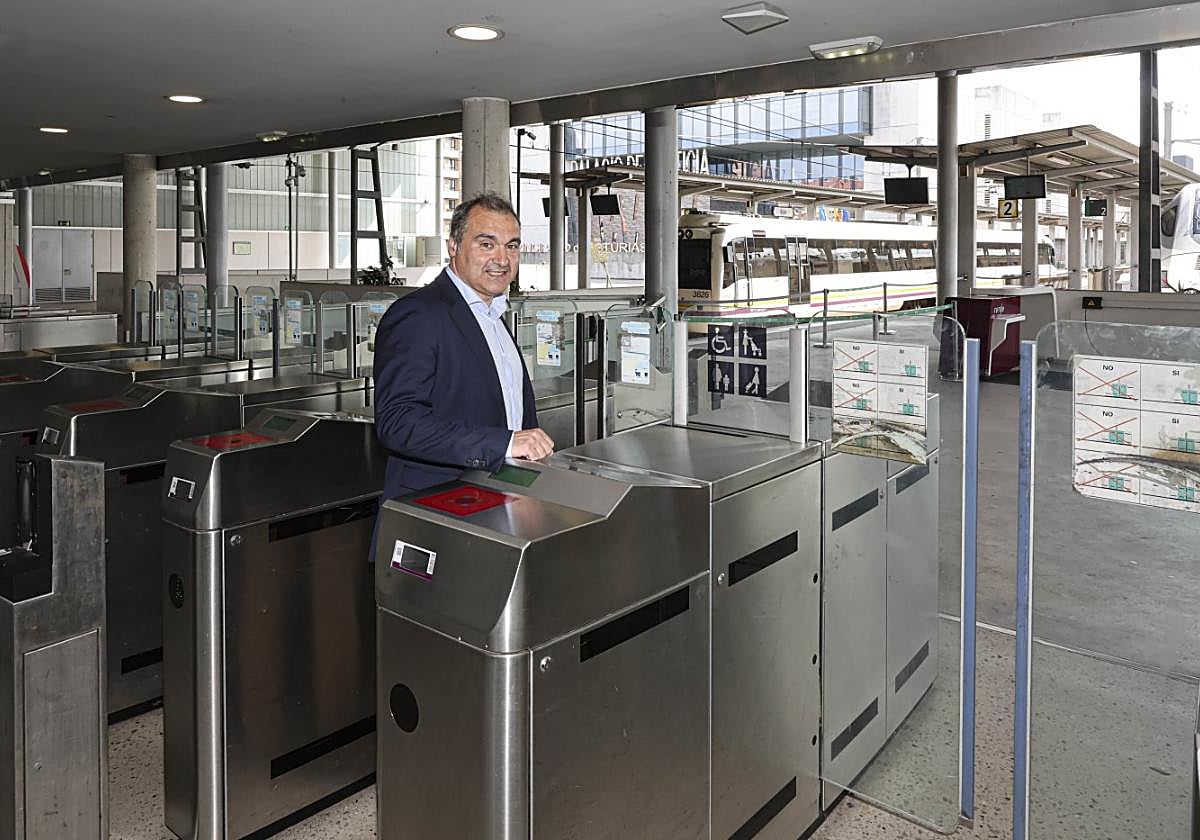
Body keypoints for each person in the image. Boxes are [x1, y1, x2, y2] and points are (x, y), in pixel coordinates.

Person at [372, 193, 555, 516]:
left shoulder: (494, 316)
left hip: (500, 503)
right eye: (487, 244)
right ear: (453, 246)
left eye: (511, 246)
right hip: (438, 510)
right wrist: (504, 444)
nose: (502, 259)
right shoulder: (418, 314)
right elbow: (398, 422)